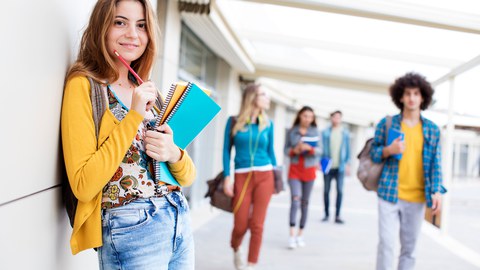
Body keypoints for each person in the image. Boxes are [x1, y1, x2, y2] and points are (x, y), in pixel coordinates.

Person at [61, 0, 196, 269]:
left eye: (141, 25)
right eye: (120, 22)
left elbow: (188, 176)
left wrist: (173, 152)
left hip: (178, 217)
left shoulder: (147, 90)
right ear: (102, 26)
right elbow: (84, 184)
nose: (133, 34)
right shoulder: (85, 85)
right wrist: (133, 116)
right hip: (131, 227)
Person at [371, 72, 446, 270]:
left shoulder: (432, 129)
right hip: (389, 193)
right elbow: (374, 154)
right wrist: (389, 150)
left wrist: (437, 190)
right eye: (407, 93)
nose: (411, 98)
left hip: (417, 198)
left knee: (409, 249)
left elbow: (435, 164)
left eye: (416, 93)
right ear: (400, 97)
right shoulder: (387, 124)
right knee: (386, 244)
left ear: (423, 97)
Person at [223, 84, 277, 270]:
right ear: (252, 97)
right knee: (240, 225)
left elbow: (271, 153)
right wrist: (227, 177)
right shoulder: (233, 121)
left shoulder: (268, 124)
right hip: (241, 176)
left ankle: (251, 265)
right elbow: (225, 151)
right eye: (264, 94)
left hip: (265, 175)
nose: (267, 98)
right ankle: (236, 247)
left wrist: (277, 179)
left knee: (257, 225)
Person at [284, 106, 321, 249]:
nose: (307, 119)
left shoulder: (316, 132)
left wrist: (310, 149)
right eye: (305, 116)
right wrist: (295, 150)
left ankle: (300, 234)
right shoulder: (291, 131)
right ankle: (291, 235)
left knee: (305, 203)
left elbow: (321, 150)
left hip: (309, 171)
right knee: (295, 200)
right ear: (300, 116)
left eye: (310, 117)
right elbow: (286, 149)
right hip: (294, 170)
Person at [321, 110, 350, 224]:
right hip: (328, 166)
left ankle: (337, 215)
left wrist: (348, 163)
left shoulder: (345, 133)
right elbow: (322, 148)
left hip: (340, 167)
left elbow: (347, 149)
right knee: (326, 191)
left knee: (340, 191)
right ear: (331, 118)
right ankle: (326, 214)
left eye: (339, 117)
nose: (337, 119)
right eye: (335, 117)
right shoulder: (326, 132)